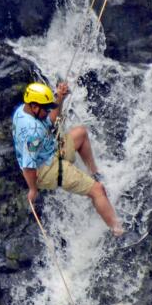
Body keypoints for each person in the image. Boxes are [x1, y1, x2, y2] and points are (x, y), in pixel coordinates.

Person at [12, 80, 124, 237]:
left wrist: (60, 98)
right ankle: (118, 230)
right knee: (98, 190)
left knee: (81, 133)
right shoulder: (33, 133)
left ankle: (94, 172)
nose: (48, 111)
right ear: (34, 106)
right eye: (46, 108)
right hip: (46, 169)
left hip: (48, 149)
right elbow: (28, 166)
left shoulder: (23, 110)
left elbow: (49, 120)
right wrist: (33, 189)